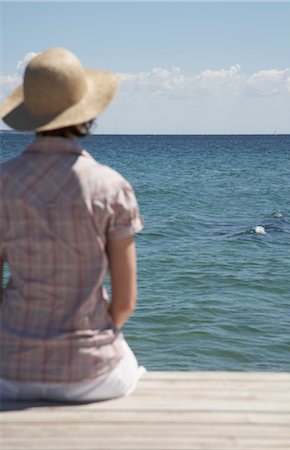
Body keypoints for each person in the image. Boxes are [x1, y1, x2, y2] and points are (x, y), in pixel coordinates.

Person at [0, 48, 145, 402]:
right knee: (132, 369)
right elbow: (125, 303)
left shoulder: (4, 183)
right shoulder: (111, 187)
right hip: (90, 375)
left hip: (9, 370)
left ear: (31, 113)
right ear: (86, 113)